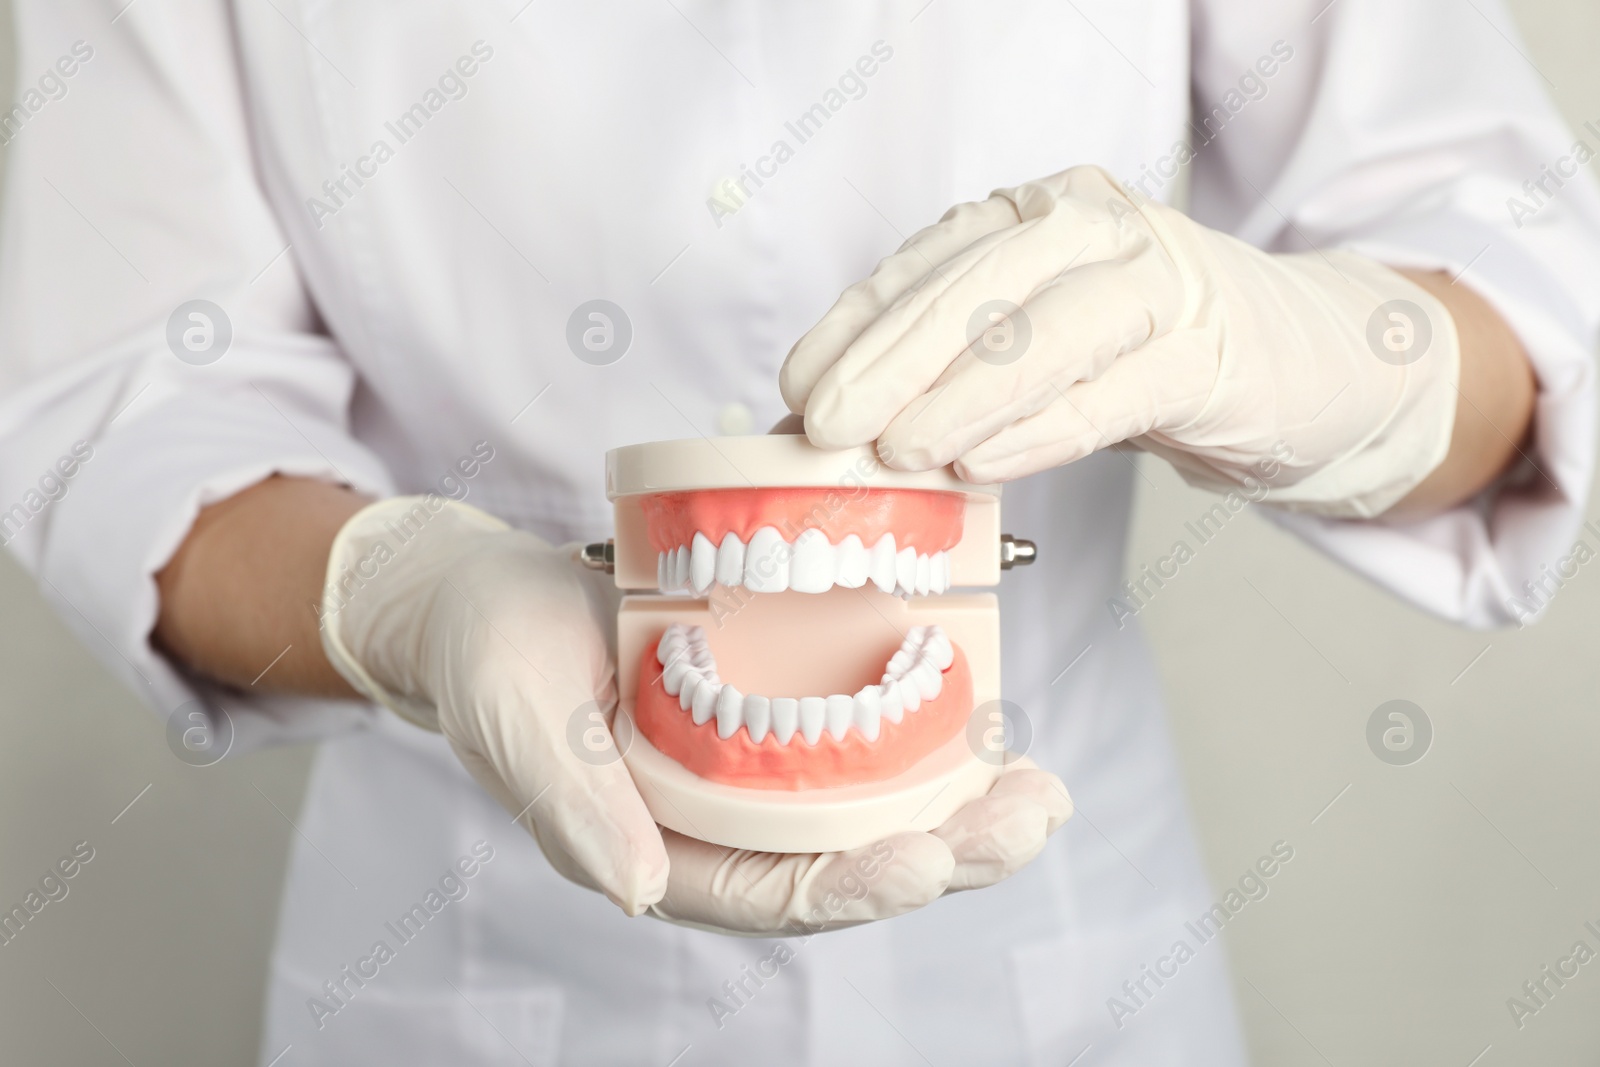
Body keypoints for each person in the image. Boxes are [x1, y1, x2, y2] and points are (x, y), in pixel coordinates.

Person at [2, 1, 1597, 1063]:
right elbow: (126, 398)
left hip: (1062, 973)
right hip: (464, 969)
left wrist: (1279, 351)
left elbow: (1513, 301)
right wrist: (410, 600)